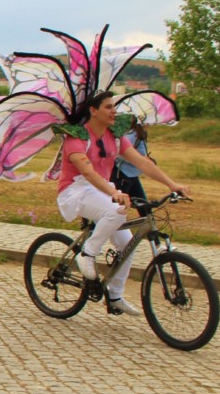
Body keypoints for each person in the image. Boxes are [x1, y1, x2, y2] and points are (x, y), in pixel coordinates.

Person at [58, 92, 189, 315]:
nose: (114, 111)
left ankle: (115, 294)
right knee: (117, 210)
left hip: (101, 189)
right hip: (75, 190)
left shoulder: (115, 137)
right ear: (93, 110)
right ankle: (87, 254)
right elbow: (88, 173)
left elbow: (143, 163)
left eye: (114, 107)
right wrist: (113, 192)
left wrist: (172, 184)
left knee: (127, 244)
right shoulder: (76, 137)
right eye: (108, 107)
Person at [113, 116, 150, 214]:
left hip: (130, 175)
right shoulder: (132, 135)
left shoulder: (137, 134)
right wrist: (139, 160)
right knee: (116, 208)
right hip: (124, 175)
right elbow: (120, 153)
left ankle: (149, 228)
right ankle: (94, 228)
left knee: (144, 206)